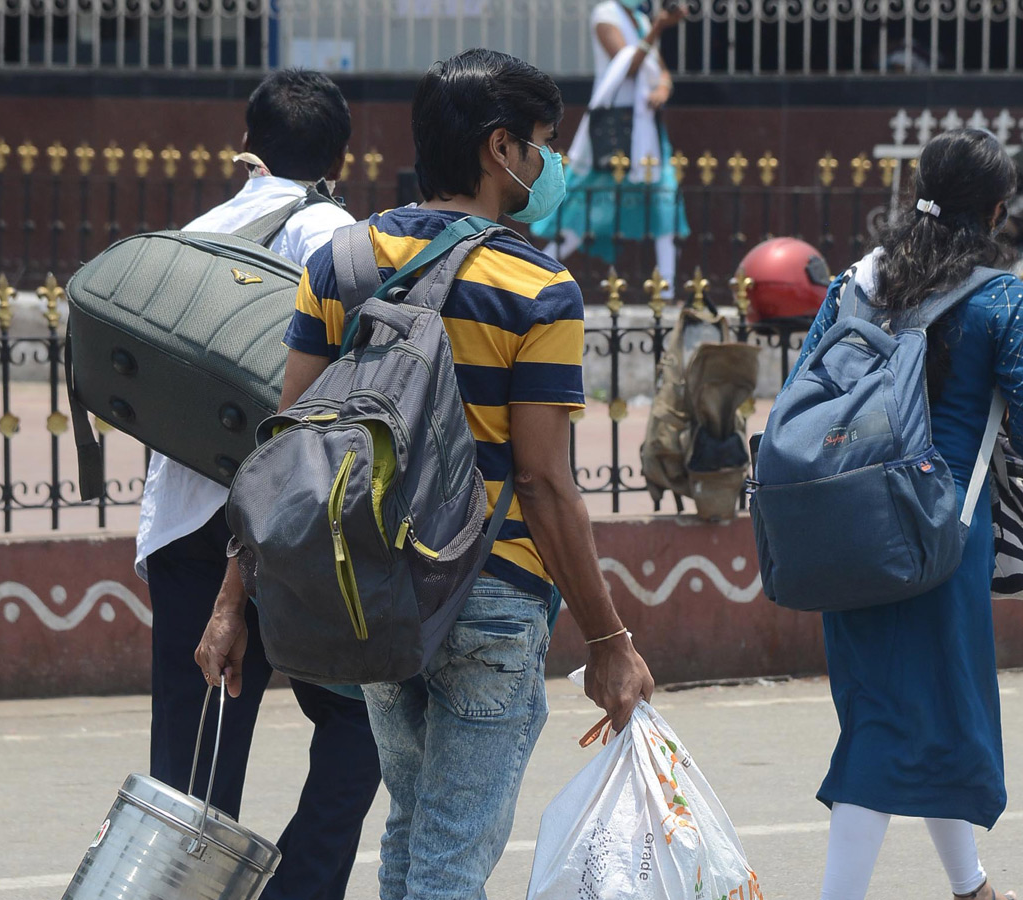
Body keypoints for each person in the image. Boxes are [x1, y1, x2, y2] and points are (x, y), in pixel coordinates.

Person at [196, 48, 656, 900]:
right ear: (499, 149)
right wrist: (608, 640)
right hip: (491, 599)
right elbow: (547, 486)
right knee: (449, 860)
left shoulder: (343, 260)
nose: (549, 165)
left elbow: (282, 454)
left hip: (375, 594)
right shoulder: (539, 289)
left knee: (411, 838)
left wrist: (230, 604)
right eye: (543, 145)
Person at [783, 129, 1023, 900]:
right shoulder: (1001, 296)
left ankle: (971, 887)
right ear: (999, 210)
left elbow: (810, 383)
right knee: (891, 725)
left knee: (915, 707)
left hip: (847, 520)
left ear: (920, 194)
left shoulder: (855, 282)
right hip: (942, 534)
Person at [135, 68, 381, 900]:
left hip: (184, 517)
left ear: (249, 144)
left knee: (195, 767)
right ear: (340, 156)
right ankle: (300, 886)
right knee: (362, 728)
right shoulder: (337, 235)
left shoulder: (198, 231)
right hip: (286, 527)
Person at [531, 0, 689, 298]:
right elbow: (627, 66)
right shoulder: (606, 15)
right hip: (615, 131)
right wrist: (658, 27)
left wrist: (663, 88)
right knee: (586, 207)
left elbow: (661, 70)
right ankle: (537, 271)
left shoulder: (640, 20)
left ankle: (666, 290)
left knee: (664, 198)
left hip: (647, 129)